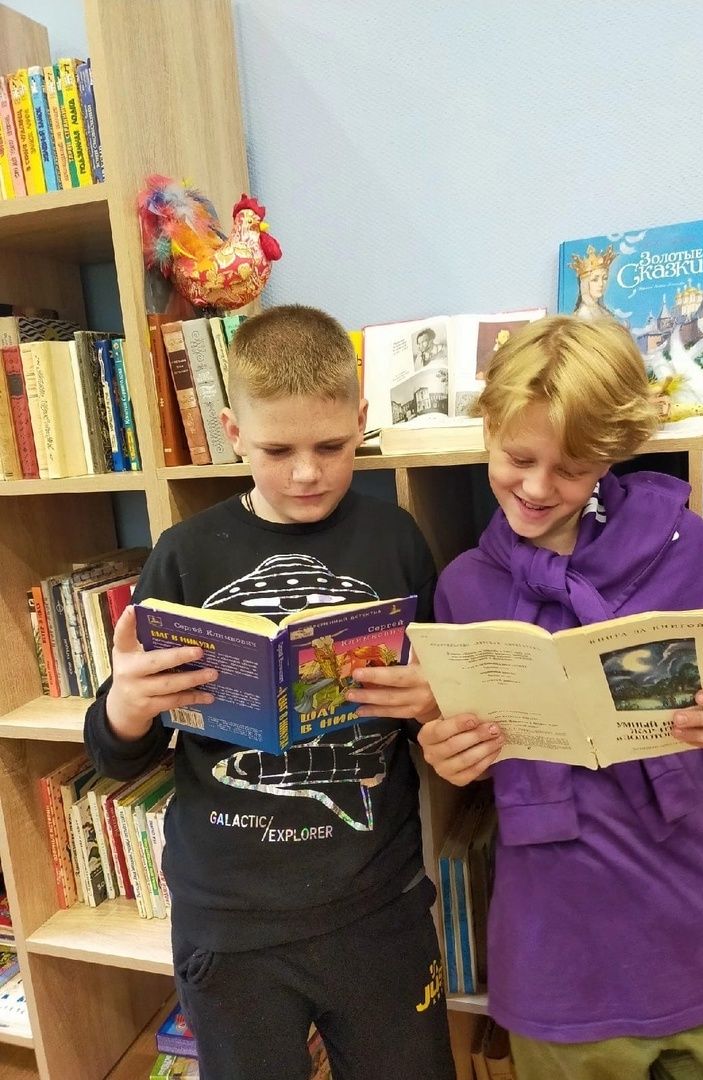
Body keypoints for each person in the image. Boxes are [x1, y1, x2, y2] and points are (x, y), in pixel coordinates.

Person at [416, 314, 703, 1080]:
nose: (536, 487)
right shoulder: (465, 587)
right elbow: (465, 743)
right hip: (560, 956)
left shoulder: (683, 545)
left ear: (610, 454)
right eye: (517, 458)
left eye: (570, 469)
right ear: (488, 429)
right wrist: (449, 754)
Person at [84, 305, 455, 1080]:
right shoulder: (185, 555)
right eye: (277, 450)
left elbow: (439, 718)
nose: (307, 473)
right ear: (233, 432)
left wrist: (431, 702)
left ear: (361, 420)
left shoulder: (395, 540)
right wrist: (127, 705)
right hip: (231, 923)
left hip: (377, 905)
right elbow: (122, 758)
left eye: (332, 446)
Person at [570, 243, 615, 321]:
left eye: (605, 278)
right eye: (595, 280)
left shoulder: (602, 311)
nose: (601, 284)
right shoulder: (585, 313)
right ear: (585, 284)